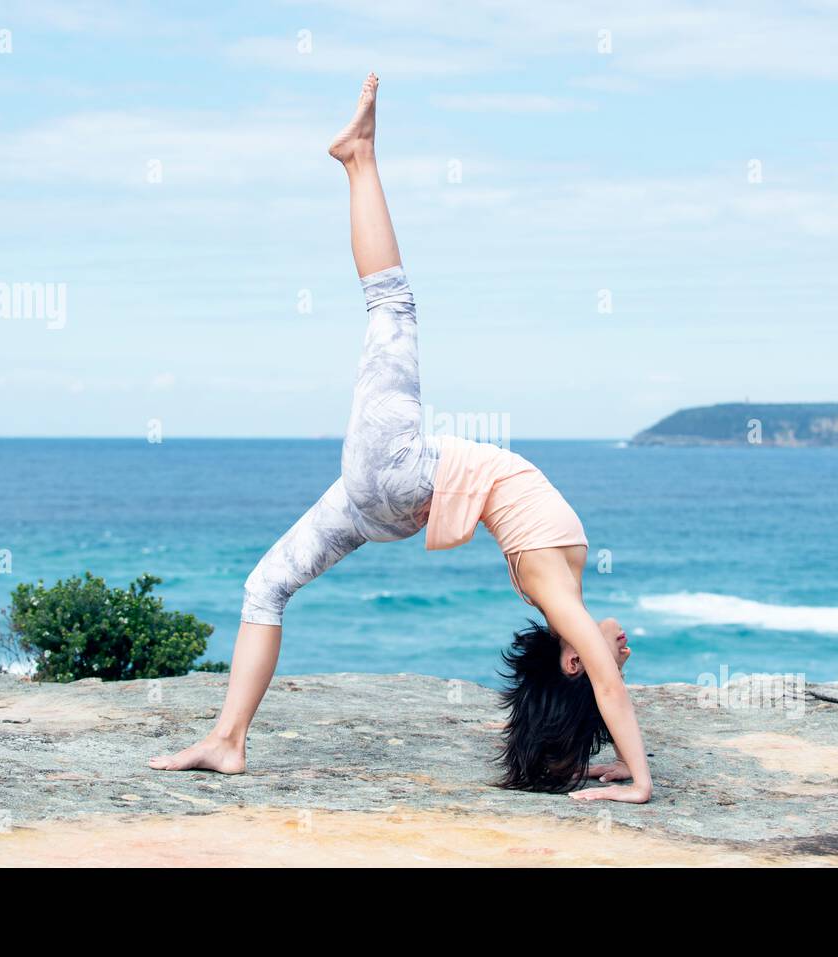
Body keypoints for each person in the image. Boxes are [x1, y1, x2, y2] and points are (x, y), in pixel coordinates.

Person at [150, 74, 651, 803]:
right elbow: (599, 678)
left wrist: (639, 780)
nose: (623, 653)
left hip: (400, 475)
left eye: (613, 661)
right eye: (621, 661)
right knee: (266, 585)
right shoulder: (560, 584)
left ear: (574, 661)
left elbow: (603, 680)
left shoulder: (555, 583)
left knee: (392, 301)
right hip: (390, 506)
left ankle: (359, 158)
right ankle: (226, 740)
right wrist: (600, 757)